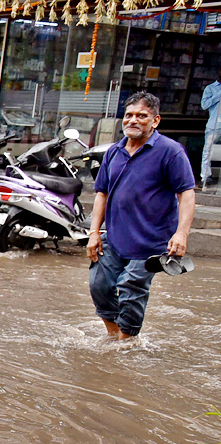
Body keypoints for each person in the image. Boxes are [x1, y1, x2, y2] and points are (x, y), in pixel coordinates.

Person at [88, 91, 196, 340]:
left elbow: (186, 195)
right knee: (99, 286)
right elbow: (101, 194)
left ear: (155, 120)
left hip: (151, 242)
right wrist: (94, 232)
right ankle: (114, 336)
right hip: (114, 238)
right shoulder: (114, 152)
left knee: (130, 288)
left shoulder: (171, 152)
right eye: (129, 115)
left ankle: (127, 342)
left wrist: (181, 234)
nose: (133, 120)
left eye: (141, 115)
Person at [201, 71, 221, 187]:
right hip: (214, 125)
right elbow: (204, 105)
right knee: (208, 150)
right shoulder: (211, 88)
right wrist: (218, 95)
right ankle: (205, 176)